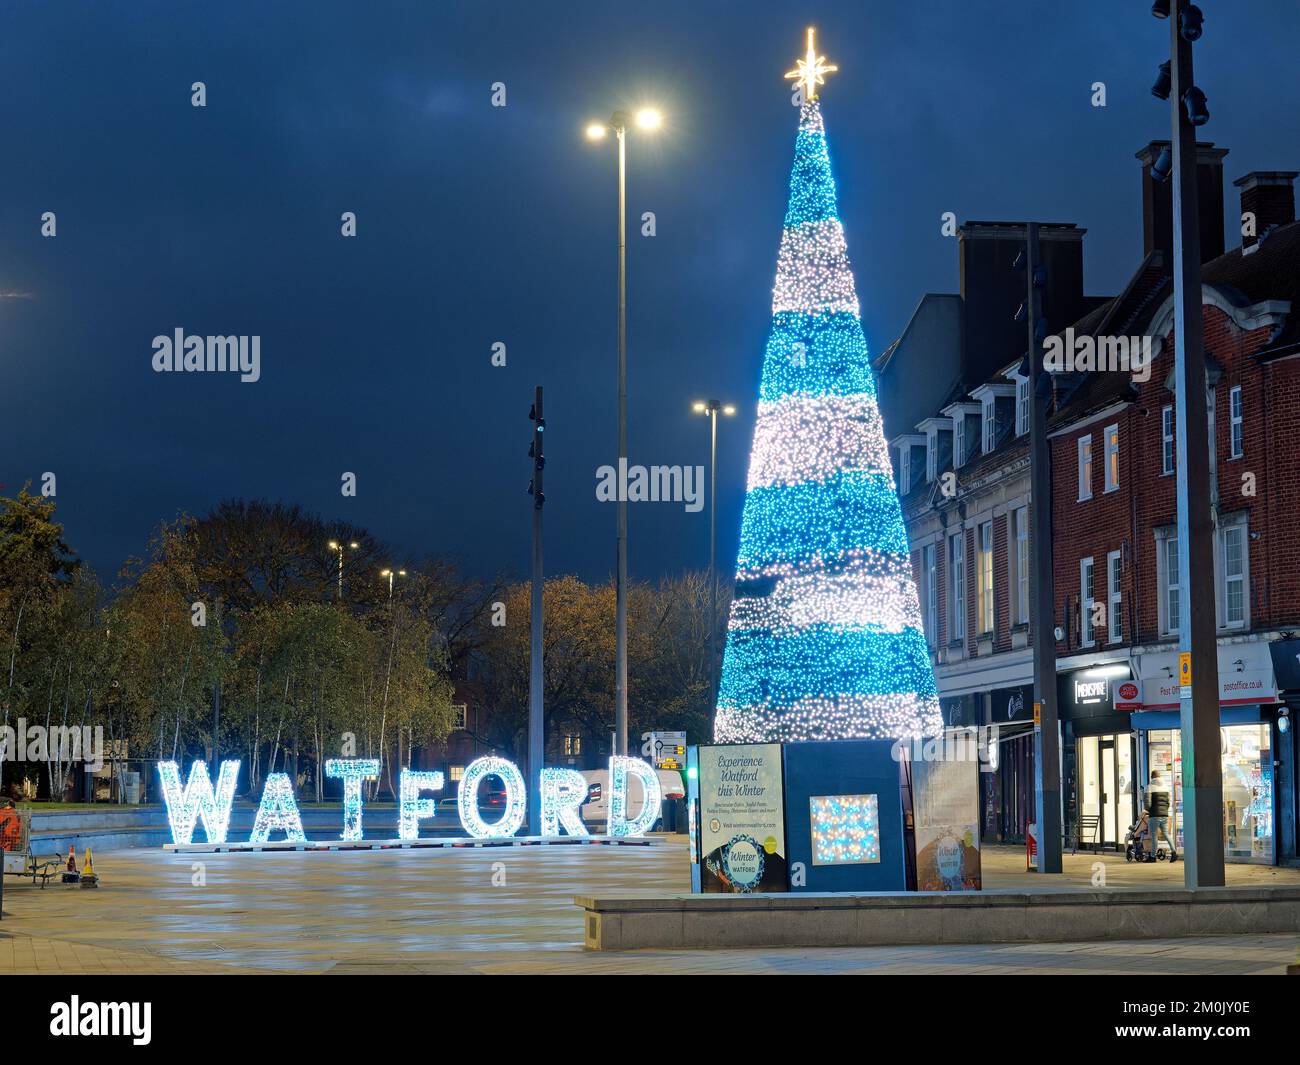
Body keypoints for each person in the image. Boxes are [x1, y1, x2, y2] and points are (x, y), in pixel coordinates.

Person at [1146, 770, 1178, 863]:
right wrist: (1165, 810)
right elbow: (1168, 802)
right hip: (1164, 814)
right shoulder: (1165, 787)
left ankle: (1152, 856)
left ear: (1152, 777)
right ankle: (1174, 852)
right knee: (1166, 834)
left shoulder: (1150, 787)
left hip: (1154, 815)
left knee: (1154, 835)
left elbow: (1148, 803)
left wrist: (1148, 810)